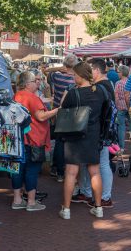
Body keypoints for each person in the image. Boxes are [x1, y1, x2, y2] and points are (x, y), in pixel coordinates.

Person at [59, 62, 106, 220]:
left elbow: (63, 110)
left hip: (74, 135)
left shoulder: (73, 93)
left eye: (74, 75)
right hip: (93, 134)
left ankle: (66, 209)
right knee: (95, 172)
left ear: (80, 76)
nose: (73, 78)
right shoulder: (100, 91)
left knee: (71, 173)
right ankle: (98, 207)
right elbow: (106, 110)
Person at [11, 71, 59, 211]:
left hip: (19, 139)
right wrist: (57, 110)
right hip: (33, 139)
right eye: (34, 81)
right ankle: (31, 202)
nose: (37, 83)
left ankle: (17, 200)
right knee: (31, 170)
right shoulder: (31, 97)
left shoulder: (17, 95)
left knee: (18, 169)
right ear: (27, 84)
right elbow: (41, 116)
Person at [72, 58, 114, 208]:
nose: (88, 73)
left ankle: (104, 196)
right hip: (100, 132)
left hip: (99, 133)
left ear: (96, 70)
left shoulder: (102, 87)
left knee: (101, 164)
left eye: (90, 70)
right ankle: (90, 192)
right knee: (97, 163)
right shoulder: (105, 86)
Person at [48, 54, 78, 182]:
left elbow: (47, 72)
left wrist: (62, 67)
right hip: (74, 113)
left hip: (58, 112)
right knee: (71, 142)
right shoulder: (77, 79)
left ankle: (58, 170)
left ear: (65, 65)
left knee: (59, 142)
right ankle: (69, 169)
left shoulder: (57, 76)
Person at [114, 65, 131, 151]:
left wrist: (116, 107)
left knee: (121, 127)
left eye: (118, 72)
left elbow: (116, 97)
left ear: (121, 73)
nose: (117, 73)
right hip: (130, 105)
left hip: (120, 106)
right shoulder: (130, 81)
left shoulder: (118, 83)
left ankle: (122, 147)